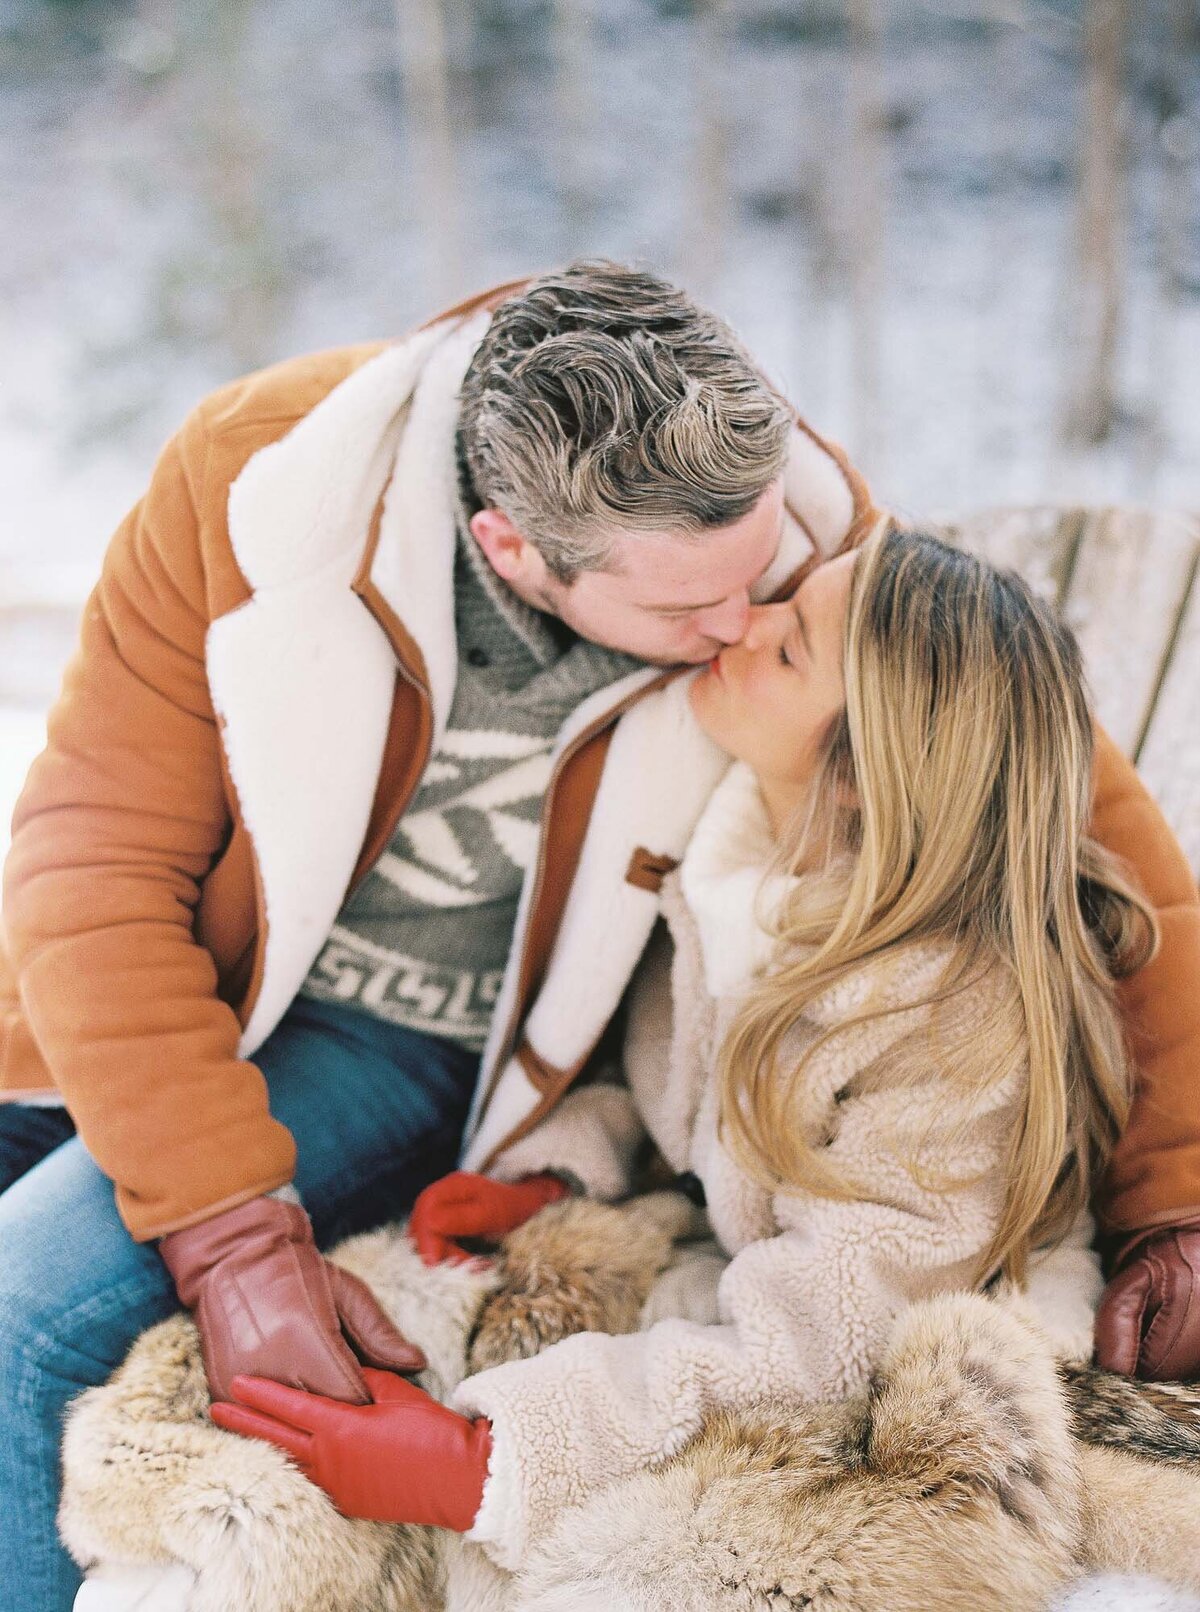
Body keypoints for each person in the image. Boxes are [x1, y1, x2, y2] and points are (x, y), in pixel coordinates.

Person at [0, 263, 1196, 1608]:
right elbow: (92, 862)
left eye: (770, 583)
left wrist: (1180, 1194)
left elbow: (1081, 834)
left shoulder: (782, 540)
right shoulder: (262, 487)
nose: (745, 620)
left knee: (25, 1318)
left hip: (418, 1036)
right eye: (695, 613)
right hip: (159, 998)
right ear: (514, 548)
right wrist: (234, 1236)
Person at [211, 519, 1160, 1572]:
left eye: (789, 646)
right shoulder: (743, 873)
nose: (741, 624)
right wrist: (559, 1174)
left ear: (863, 771)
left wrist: (490, 1459)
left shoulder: (953, 1020)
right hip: (762, 1294)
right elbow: (682, 1092)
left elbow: (832, 1341)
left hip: (912, 1376)